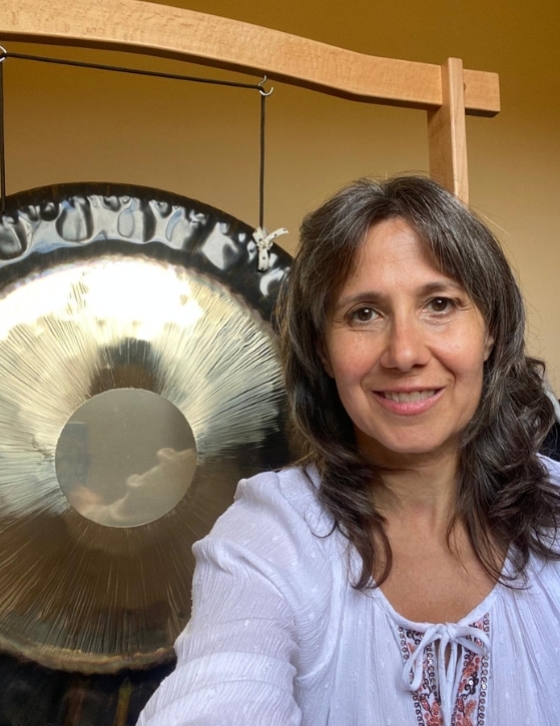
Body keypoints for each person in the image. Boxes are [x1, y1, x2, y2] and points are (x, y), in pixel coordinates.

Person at [138, 176, 560, 726]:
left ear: (491, 332)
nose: (404, 353)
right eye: (364, 313)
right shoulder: (269, 537)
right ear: (322, 348)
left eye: (439, 304)